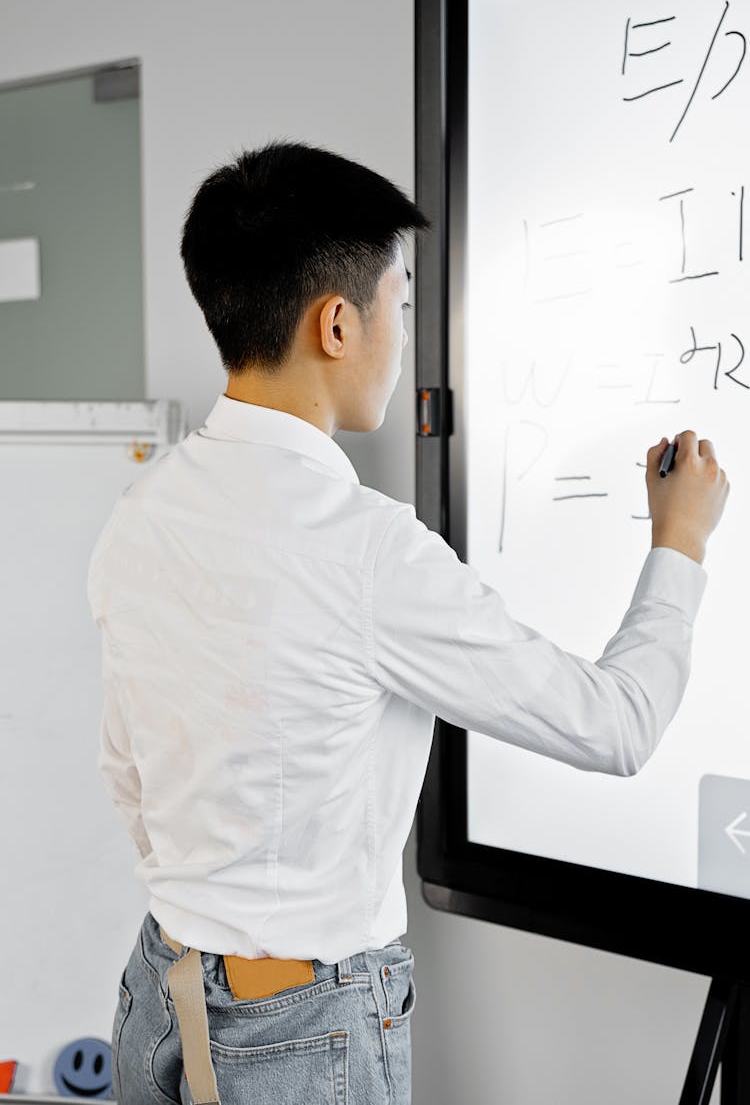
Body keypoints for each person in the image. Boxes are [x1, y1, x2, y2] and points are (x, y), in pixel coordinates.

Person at [86, 138, 730, 1105]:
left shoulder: (142, 512)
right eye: (401, 299)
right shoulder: (366, 551)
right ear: (337, 324)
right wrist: (679, 541)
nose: (405, 325)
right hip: (300, 1028)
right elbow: (617, 724)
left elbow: (128, 774)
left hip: (156, 994)